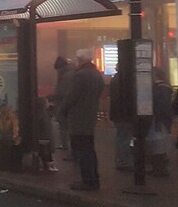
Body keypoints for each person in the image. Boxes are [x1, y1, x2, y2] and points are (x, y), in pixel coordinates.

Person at [58, 49, 105, 191]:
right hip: (89, 117)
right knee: (89, 150)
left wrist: (62, 111)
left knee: (82, 151)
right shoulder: (96, 74)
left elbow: (72, 96)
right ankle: (93, 179)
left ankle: (87, 181)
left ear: (80, 60)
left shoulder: (80, 75)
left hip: (78, 117)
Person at [109, 60, 134, 172]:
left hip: (117, 113)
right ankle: (124, 162)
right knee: (124, 138)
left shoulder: (115, 79)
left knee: (121, 137)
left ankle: (120, 160)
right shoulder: (125, 80)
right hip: (124, 114)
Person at [148, 67, 174, 177]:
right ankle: (160, 167)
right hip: (162, 120)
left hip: (158, 120)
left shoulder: (160, 89)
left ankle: (159, 169)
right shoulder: (165, 88)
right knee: (159, 143)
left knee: (157, 144)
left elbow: (161, 106)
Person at [50, 56, 76, 156]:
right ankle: (66, 146)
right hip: (65, 104)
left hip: (64, 105)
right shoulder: (69, 73)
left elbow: (62, 92)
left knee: (65, 127)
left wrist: (52, 98)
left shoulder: (66, 76)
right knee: (66, 127)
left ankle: (68, 147)